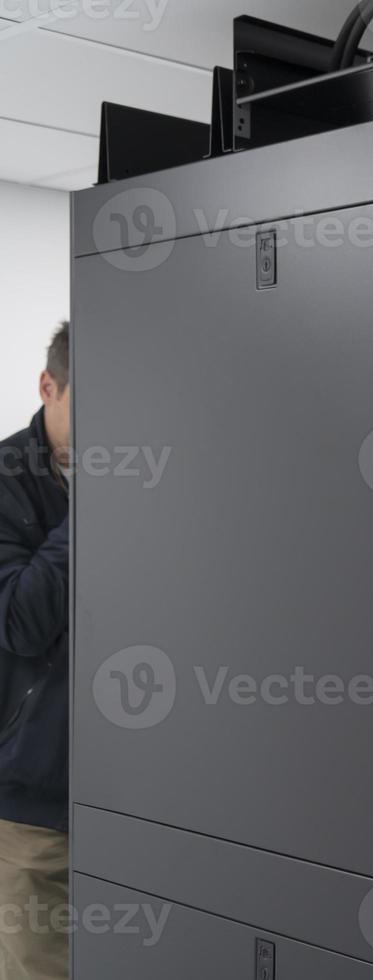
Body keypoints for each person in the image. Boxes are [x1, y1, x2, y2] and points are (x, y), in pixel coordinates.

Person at [0, 322, 72, 980]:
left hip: (150, 797)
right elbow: (20, 620)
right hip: (36, 808)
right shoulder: (5, 480)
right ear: (49, 386)